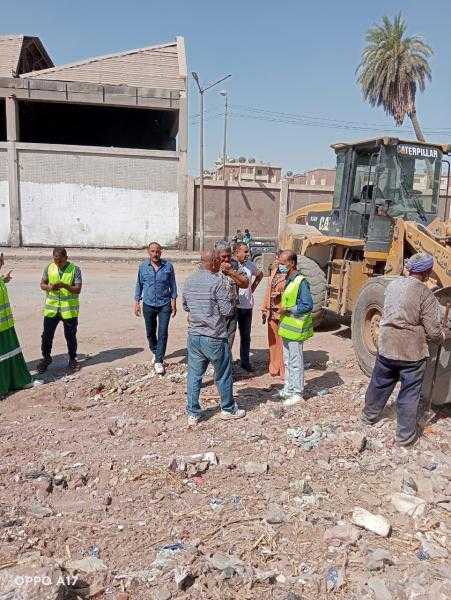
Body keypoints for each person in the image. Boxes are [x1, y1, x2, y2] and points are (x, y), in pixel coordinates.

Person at [362, 253, 445, 446]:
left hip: (386, 345)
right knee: (409, 392)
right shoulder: (425, 293)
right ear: (427, 272)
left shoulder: (393, 285)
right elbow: (433, 332)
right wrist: (443, 336)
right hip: (410, 352)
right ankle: (405, 437)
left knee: (380, 383)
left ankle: (368, 416)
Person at [182, 249, 246, 426]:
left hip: (194, 335)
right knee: (223, 374)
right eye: (218, 260)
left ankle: (193, 413)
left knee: (194, 375)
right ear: (212, 262)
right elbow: (227, 311)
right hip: (214, 336)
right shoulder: (216, 282)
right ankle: (228, 408)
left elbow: (186, 306)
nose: (221, 263)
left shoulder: (189, 281)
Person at [276, 250, 314, 406]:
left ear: (291, 263)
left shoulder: (301, 281)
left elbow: (307, 305)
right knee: (287, 361)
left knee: (296, 361)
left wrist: (288, 309)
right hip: (287, 327)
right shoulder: (289, 279)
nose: (280, 266)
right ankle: (289, 387)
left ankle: (297, 393)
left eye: (282, 263)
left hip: (296, 329)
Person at [134, 242, 177, 375]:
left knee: (163, 332)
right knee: (150, 332)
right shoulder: (143, 267)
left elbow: (173, 285)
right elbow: (139, 285)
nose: (155, 254)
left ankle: (159, 360)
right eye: (152, 251)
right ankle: (155, 350)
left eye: (157, 251)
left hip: (164, 304)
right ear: (148, 252)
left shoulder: (168, 266)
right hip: (148, 304)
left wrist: (174, 301)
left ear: (161, 252)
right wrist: (136, 302)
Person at [37, 247, 82, 373]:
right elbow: (42, 284)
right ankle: (46, 358)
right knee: (46, 336)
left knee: (70, 336)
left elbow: (77, 289)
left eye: (60, 261)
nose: (58, 264)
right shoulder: (49, 268)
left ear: (66, 258)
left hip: (68, 310)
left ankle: (72, 359)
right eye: (56, 261)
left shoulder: (75, 269)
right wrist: (50, 287)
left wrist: (65, 286)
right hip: (52, 310)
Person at [0, 253, 35, 395]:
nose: (3, 262)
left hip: (6, 325)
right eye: (1, 260)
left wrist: (3, 280)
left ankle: (15, 381)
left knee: (10, 353)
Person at [233, 242, 263, 371]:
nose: (247, 254)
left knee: (245, 336)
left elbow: (259, 275)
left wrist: (252, 288)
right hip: (233, 307)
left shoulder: (250, 265)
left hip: (246, 306)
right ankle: (226, 363)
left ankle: (245, 362)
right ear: (236, 252)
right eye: (244, 252)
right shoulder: (231, 266)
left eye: (247, 252)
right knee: (229, 335)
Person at [215, 240, 249, 347]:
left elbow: (245, 283)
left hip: (232, 309)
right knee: (215, 340)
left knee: (229, 340)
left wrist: (231, 272)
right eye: (223, 256)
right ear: (216, 255)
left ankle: (226, 362)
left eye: (228, 256)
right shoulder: (210, 265)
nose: (226, 259)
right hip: (215, 311)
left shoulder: (235, 264)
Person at [261, 250, 286, 377]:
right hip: (272, 311)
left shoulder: (293, 276)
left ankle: (283, 370)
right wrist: (264, 308)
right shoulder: (274, 271)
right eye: (277, 258)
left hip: (283, 312)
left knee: (282, 342)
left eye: (280, 260)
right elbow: (268, 289)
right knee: (273, 341)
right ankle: (274, 367)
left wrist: (281, 293)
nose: (278, 261)